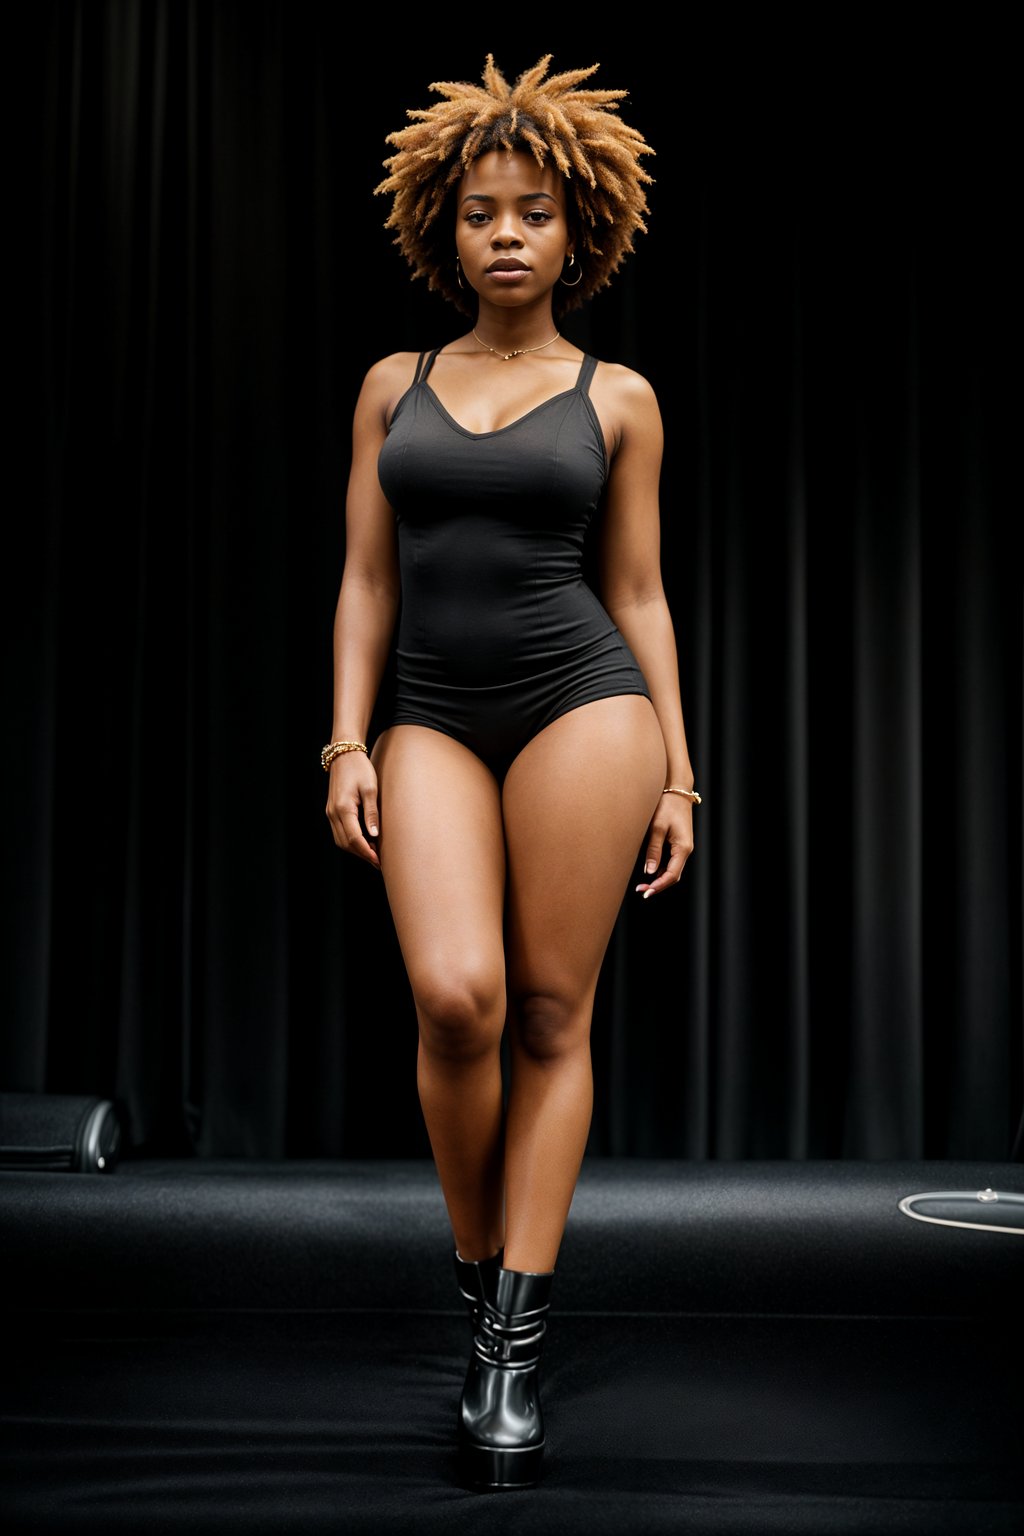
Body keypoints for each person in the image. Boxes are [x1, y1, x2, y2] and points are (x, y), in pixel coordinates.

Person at [324, 53, 699, 1491]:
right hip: (427, 708)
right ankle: (478, 1263)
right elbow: (364, 581)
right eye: (481, 211)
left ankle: (509, 1345)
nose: (505, 234)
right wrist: (345, 737)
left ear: (577, 228)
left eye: (532, 212)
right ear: (443, 226)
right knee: (455, 996)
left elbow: (645, 593)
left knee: (550, 1008)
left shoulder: (620, 399)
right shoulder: (390, 387)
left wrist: (681, 771)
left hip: (583, 703)